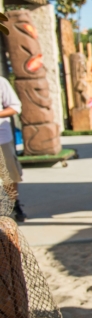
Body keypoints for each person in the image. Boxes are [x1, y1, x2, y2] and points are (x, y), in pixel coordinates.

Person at [0, 76, 24, 222]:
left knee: (9, 174)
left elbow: (15, 107)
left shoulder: (1, 82)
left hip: (1, 137)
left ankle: (13, 204)